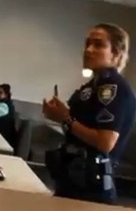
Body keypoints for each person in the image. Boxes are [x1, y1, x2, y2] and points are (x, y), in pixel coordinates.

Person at [43, 23, 136, 204]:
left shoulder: (114, 87)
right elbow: (78, 133)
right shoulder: (92, 86)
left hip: (92, 186)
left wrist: (66, 118)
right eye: (87, 44)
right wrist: (60, 115)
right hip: (73, 179)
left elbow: (105, 142)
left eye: (99, 45)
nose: (89, 49)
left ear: (116, 53)